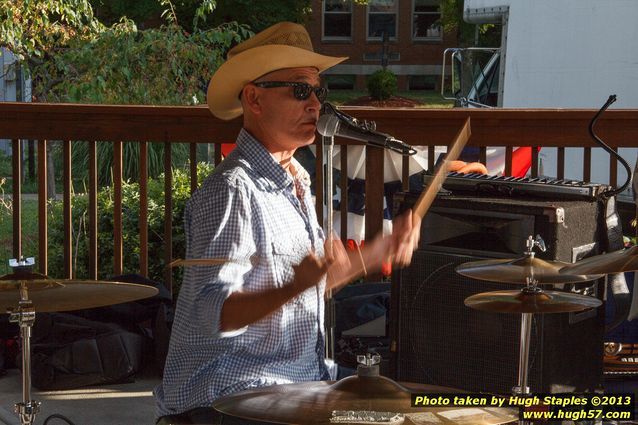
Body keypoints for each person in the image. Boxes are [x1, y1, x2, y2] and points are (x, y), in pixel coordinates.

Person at [154, 22, 420, 425]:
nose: (315, 105)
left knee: (410, 409)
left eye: (318, 92)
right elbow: (215, 314)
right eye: (299, 90)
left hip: (297, 381)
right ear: (254, 99)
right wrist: (295, 284)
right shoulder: (231, 191)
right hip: (232, 392)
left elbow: (310, 283)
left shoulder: (295, 178)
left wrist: (378, 250)